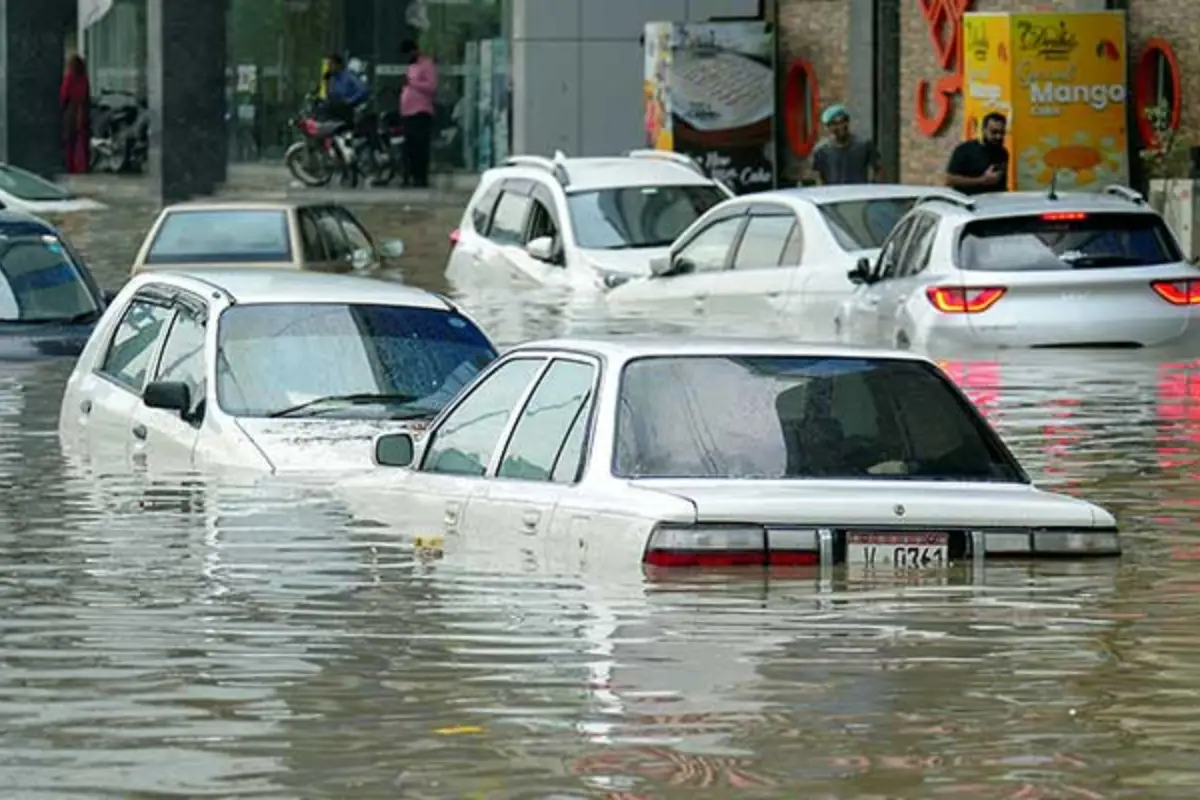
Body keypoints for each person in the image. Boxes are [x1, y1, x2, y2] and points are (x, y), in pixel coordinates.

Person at [399, 39, 437, 188]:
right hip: (408, 112)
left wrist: (412, 84)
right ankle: (409, 176)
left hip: (421, 111)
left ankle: (421, 178)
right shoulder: (411, 67)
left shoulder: (426, 65)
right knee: (408, 147)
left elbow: (431, 86)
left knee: (420, 146)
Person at [810, 105, 880, 185]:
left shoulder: (864, 145)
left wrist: (872, 189)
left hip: (859, 194)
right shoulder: (821, 150)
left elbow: (878, 169)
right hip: (834, 195)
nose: (841, 126)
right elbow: (817, 175)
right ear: (828, 127)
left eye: (843, 121)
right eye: (835, 123)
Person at [944, 111, 1010, 195]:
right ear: (984, 130)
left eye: (1002, 132)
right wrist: (982, 180)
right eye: (994, 132)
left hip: (992, 204)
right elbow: (949, 179)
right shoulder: (965, 150)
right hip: (968, 202)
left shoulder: (1002, 153)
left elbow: (1002, 184)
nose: (998, 136)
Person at [59, 54, 90, 174]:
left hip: (71, 111)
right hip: (82, 111)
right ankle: (83, 166)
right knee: (82, 140)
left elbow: (64, 94)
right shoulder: (84, 78)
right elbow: (87, 95)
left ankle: (71, 166)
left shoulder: (69, 77)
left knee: (69, 142)